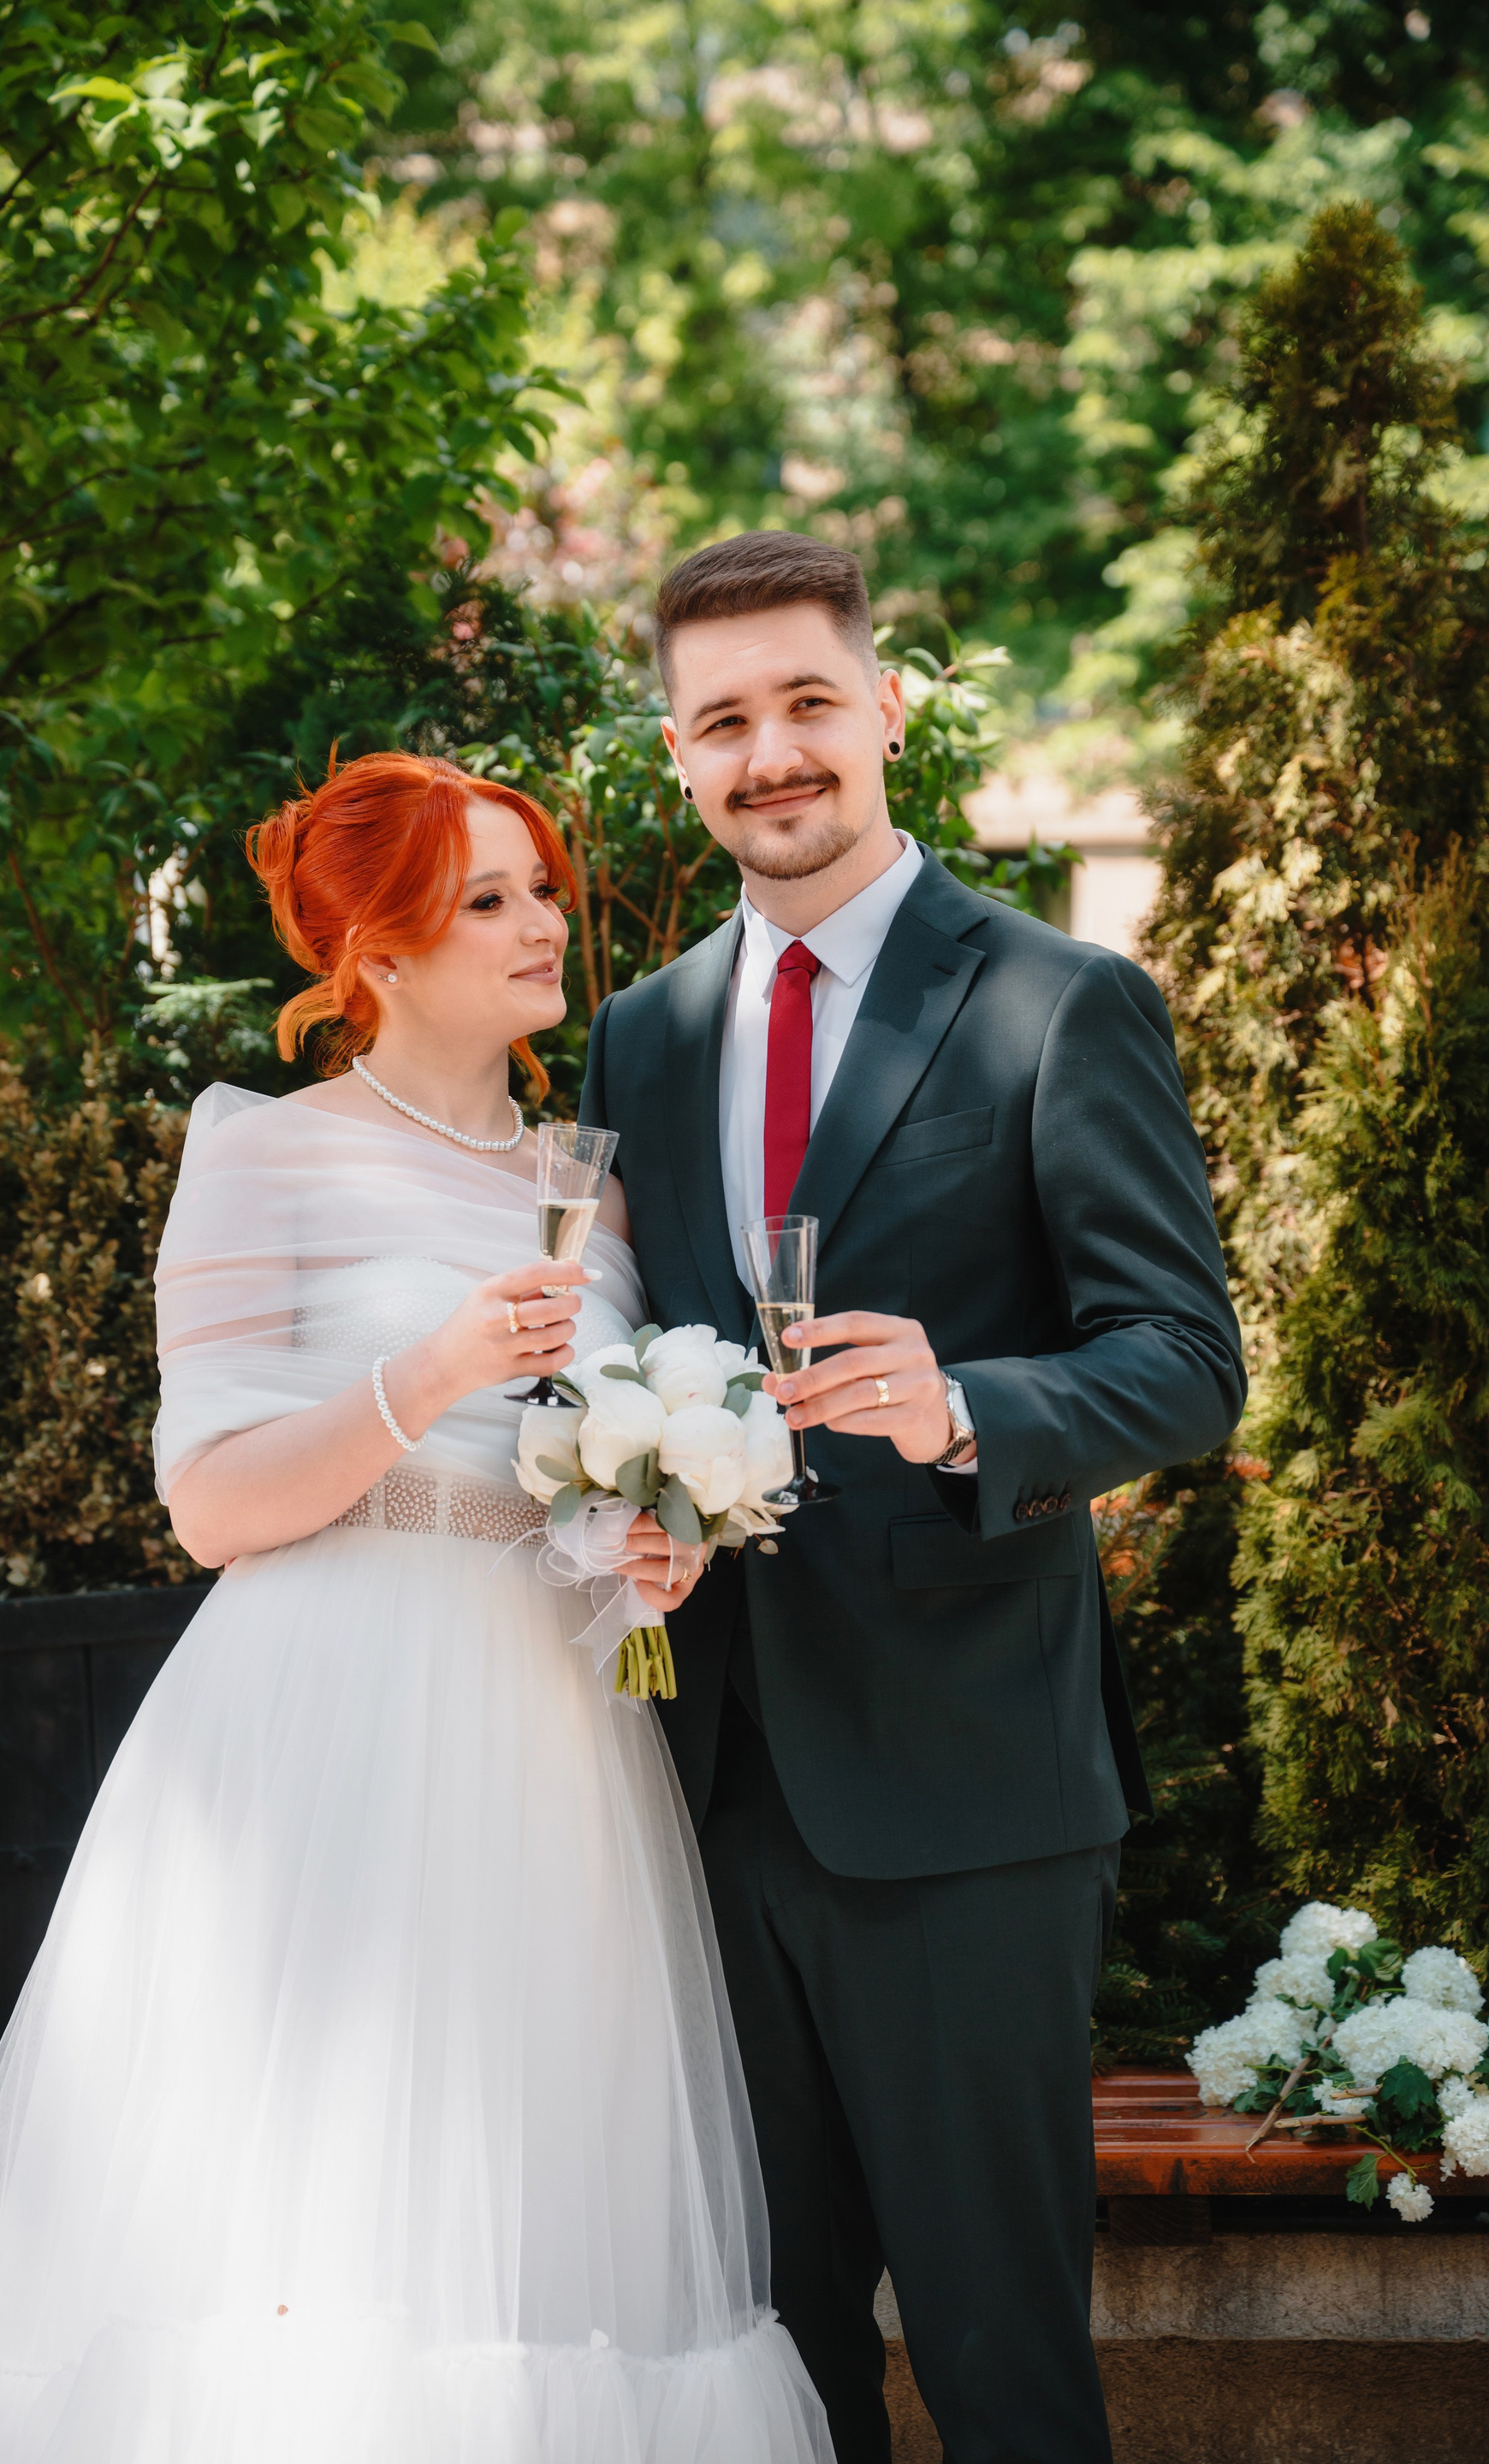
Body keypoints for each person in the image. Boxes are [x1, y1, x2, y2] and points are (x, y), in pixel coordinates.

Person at [0, 752, 833, 2464]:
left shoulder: (591, 1190)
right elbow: (212, 1504)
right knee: (320, 2209)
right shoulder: (270, 1156)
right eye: (488, 900)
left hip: (555, 1747)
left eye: (542, 889)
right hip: (330, 1731)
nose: (542, 925)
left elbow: (560, 1483)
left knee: (542, 2214)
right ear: (377, 952)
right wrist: (428, 1369)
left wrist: (645, 1546)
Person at [578, 532, 1247, 2464]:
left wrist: (962, 1406)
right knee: (767, 2373)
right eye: (723, 721)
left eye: (808, 702)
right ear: (679, 754)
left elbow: (1183, 1360)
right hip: (705, 1790)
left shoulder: (1057, 998)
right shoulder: (642, 1033)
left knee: (999, 2359)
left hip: (967, 1796)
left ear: (883, 709)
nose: (771, 752)